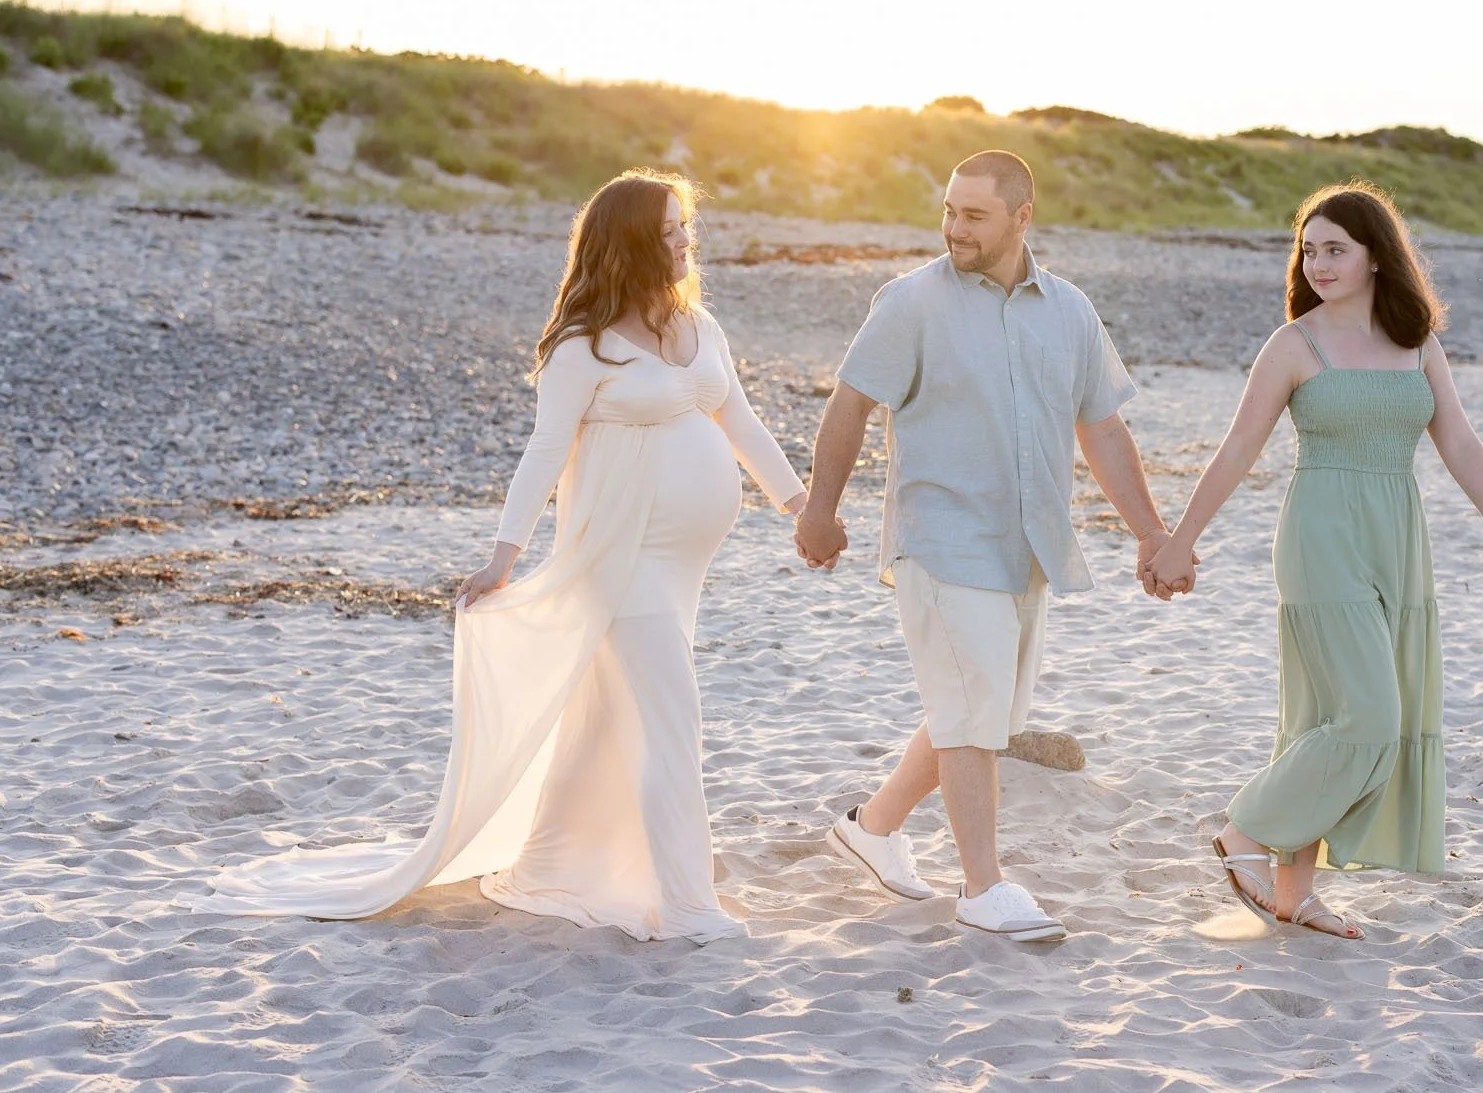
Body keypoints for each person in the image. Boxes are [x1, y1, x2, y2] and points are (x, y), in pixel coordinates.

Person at [199, 169, 807, 944]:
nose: (687, 241)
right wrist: (503, 558)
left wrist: (800, 506)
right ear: (630, 248)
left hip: (682, 564)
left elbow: (743, 424)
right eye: (670, 232)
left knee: (610, 718)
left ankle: (552, 862)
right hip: (620, 561)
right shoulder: (583, 349)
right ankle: (687, 903)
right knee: (670, 723)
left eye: (686, 225)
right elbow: (544, 452)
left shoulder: (701, 325)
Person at [795, 150, 1181, 944]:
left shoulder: (1069, 310)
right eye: (947, 210)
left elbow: (1102, 428)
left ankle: (873, 827)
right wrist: (821, 509)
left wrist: (1151, 531)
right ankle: (984, 886)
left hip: (1029, 545)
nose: (953, 228)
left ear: (1020, 217)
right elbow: (851, 404)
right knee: (972, 715)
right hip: (940, 539)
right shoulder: (910, 302)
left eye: (973, 215)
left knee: (977, 711)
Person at [1149, 182, 1483, 938]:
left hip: (1398, 533)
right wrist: (1180, 538)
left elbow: (1457, 439)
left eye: (1335, 249)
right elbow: (1238, 446)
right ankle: (1243, 831)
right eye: (1309, 249)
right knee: (1370, 717)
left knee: (1328, 715)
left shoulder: (1418, 341)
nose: (1318, 263)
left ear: (1376, 258)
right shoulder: (1295, 344)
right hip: (1322, 534)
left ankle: (1294, 891)